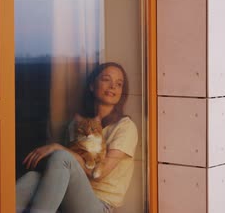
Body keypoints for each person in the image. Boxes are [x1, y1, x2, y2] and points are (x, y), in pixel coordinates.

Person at [16, 62, 138, 213]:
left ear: (122, 92)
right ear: (92, 86)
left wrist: (57, 147)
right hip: (69, 197)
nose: (113, 86)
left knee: (62, 156)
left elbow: (98, 173)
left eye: (119, 84)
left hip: (99, 206)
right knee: (34, 177)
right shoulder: (78, 124)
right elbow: (65, 169)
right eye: (106, 79)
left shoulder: (125, 127)